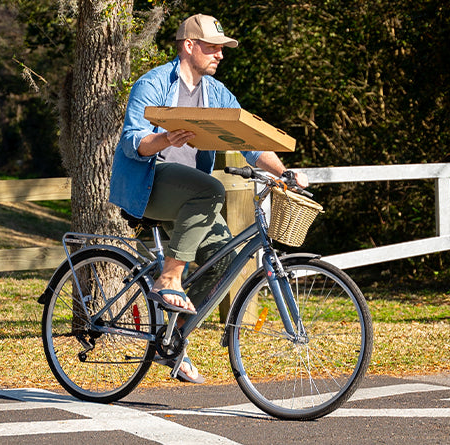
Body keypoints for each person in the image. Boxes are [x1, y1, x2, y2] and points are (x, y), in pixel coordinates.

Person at [109, 13, 308, 383]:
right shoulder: (153, 84)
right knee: (212, 189)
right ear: (189, 46)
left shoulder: (216, 94)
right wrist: (165, 139)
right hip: (150, 186)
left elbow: (250, 141)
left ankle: (171, 341)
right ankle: (169, 277)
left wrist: (285, 173)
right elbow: (133, 143)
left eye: (221, 48)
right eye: (213, 47)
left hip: (191, 198)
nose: (220, 54)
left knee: (224, 262)